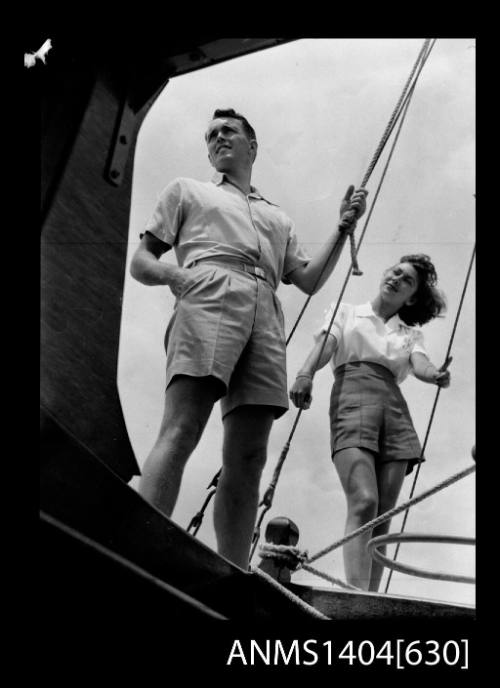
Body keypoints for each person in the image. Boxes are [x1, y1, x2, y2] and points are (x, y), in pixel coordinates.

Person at [129, 108, 367, 570]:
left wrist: (342, 228)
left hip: (266, 307)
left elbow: (309, 279)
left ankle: (232, 574)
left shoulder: (278, 217)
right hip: (208, 288)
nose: (218, 138)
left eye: (228, 131)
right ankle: (141, 549)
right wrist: (177, 277)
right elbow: (141, 260)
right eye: (211, 134)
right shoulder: (187, 190)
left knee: (251, 453)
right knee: (183, 426)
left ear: (252, 146)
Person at [290, 254, 450, 591]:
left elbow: (419, 364)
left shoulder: (410, 334)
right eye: (395, 271)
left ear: (412, 298)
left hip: (394, 410)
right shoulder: (346, 311)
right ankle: (357, 596)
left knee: (383, 517)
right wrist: (305, 373)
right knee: (364, 501)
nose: (396, 278)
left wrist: (435, 374)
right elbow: (327, 344)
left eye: (407, 280)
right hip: (351, 397)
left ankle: (370, 602)